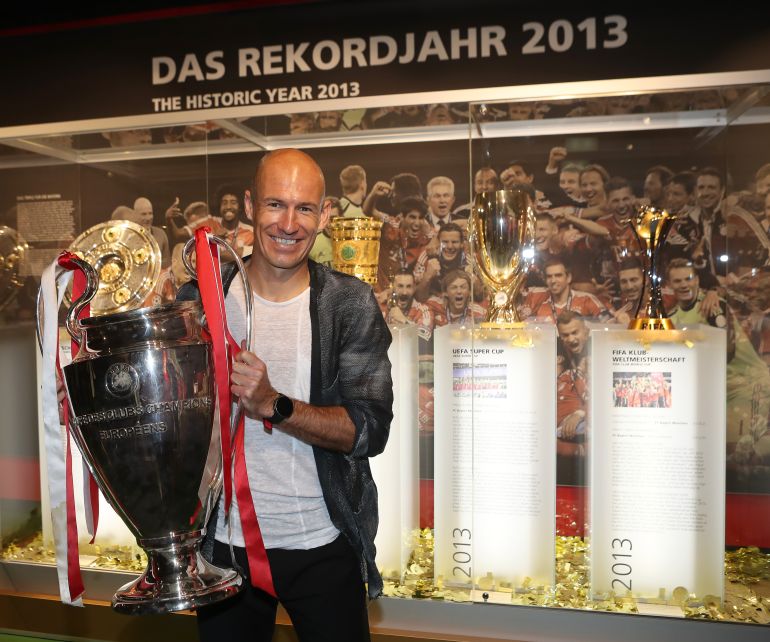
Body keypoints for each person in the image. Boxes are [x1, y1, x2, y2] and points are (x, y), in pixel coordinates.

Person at [179, 148, 393, 642]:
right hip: (222, 549)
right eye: (276, 204)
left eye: (305, 208)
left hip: (321, 543)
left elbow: (370, 429)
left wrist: (275, 405)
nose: (289, 224)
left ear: (325, 215)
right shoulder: (201, 300)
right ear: (250, 206)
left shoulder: (348, 303)